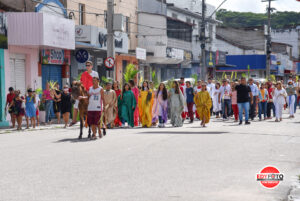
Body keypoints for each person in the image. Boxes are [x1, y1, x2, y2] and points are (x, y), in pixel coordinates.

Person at [70, 60, 99, 126]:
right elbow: (81, 83)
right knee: (76, 103)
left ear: (91, 66)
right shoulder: (84, 74)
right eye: (86, 65)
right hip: (84, 90)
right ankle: (74, 120)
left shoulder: (95, 73)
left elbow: (97, 82)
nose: (87, 67)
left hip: (92, 90)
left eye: (88, 65)